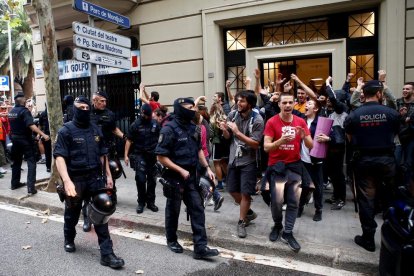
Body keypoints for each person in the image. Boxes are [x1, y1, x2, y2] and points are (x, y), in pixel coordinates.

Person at [54, 96, 124, 268]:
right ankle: (68, 239)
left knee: (101, 214)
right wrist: (67, 181)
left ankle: (107, 254)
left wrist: (108, 176)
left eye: (86, 108)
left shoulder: (95, 129)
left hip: (94, 178)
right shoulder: (66, 131)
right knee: (72, 214)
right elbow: (59, 157)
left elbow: (103, 155)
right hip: (75, 179)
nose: (84, 110)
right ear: (74, 109)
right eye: (80, 108)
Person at [155, 97, 219, 260]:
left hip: (191, 176)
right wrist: (180, 170)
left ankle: (200, 247)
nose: (193, 109)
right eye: (189, 107)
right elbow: (161, 157)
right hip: (174, 177)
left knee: (197, 208)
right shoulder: (168, 129)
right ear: (180, 108)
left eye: (193, 107)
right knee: (173, 210)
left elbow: (199, 151)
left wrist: (207, 169)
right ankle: (172, 240)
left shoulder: (193, 128)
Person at [344, 80, 400, 252]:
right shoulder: (391, 113)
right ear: (379, 94)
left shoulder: (354, 114)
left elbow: (349, 137)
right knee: (389, 198)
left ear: (364, 93)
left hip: (364, 161)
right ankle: (393, 235)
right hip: (386, 160)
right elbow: (397, 133)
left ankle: (368, 239)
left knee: (366, 201)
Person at [263, 92, 313, 253]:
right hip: (277, 168)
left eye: (290, 102)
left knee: (294, 202)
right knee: (277, 202)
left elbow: (311, 145)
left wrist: (304, 136)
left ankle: (288, 232)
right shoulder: (271, 122)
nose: (288, 105)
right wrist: (281, 141)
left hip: (295, 167)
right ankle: (277, 225)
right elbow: (266, 147)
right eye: (284, 103)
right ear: (279, 104)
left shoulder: (300, 121)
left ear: (294, 103)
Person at [219, 90, 264, 239]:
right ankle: (249, 212)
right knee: (231, 190)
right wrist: (225, 130)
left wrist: (237, 132)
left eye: (242, 101)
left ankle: (241, 221)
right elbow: (228, 137)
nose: (238, 103)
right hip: (233, 159)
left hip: (249, 161)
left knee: (245, 193)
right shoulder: (233, 115)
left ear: (250, 104)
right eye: (238, 100)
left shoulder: (257, 120)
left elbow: (256, 144)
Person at [87, 90, 125, 232]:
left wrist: (125, 137)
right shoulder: (88, 114)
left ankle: (111, 201)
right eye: (101, 101)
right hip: (92, 152)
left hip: (108, 150)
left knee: (110, 177)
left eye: (105, 101)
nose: (104, 103)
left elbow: (114, 129)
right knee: (92, 181)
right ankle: (88, 216)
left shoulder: (109, 114)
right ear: (94, 101)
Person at [8, 93, 50, 194]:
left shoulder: (11, 112)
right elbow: (31, 125)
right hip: (25, 140)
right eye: (26, 100)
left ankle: (14, 184)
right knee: (31, 162)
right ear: (22, 101)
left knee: (16, 162)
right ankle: (31, 188)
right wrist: (43, 135)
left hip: (15, 140)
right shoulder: (24, 111)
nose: (26, 101)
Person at [124, 103, 161, 214]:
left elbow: (161, 138)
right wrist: (125, 155)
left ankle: (151, 202)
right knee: (140, 179)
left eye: (150, 115)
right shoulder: (135, 125)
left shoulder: (155, 124)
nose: (149, 117)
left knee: (152, 180)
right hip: (140, 154)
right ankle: (141, 202)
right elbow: (129, 140)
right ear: (142, 113)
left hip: (152, 155)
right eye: (147, 115)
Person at [38, 107, 51, 172]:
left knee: (48, 151)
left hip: (46, 135)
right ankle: (49, 166)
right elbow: (40, 125)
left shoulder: (43, 113)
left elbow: (40, 125)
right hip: (47, 135)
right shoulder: (43, 114)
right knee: (49, 151)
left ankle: (49, 167)